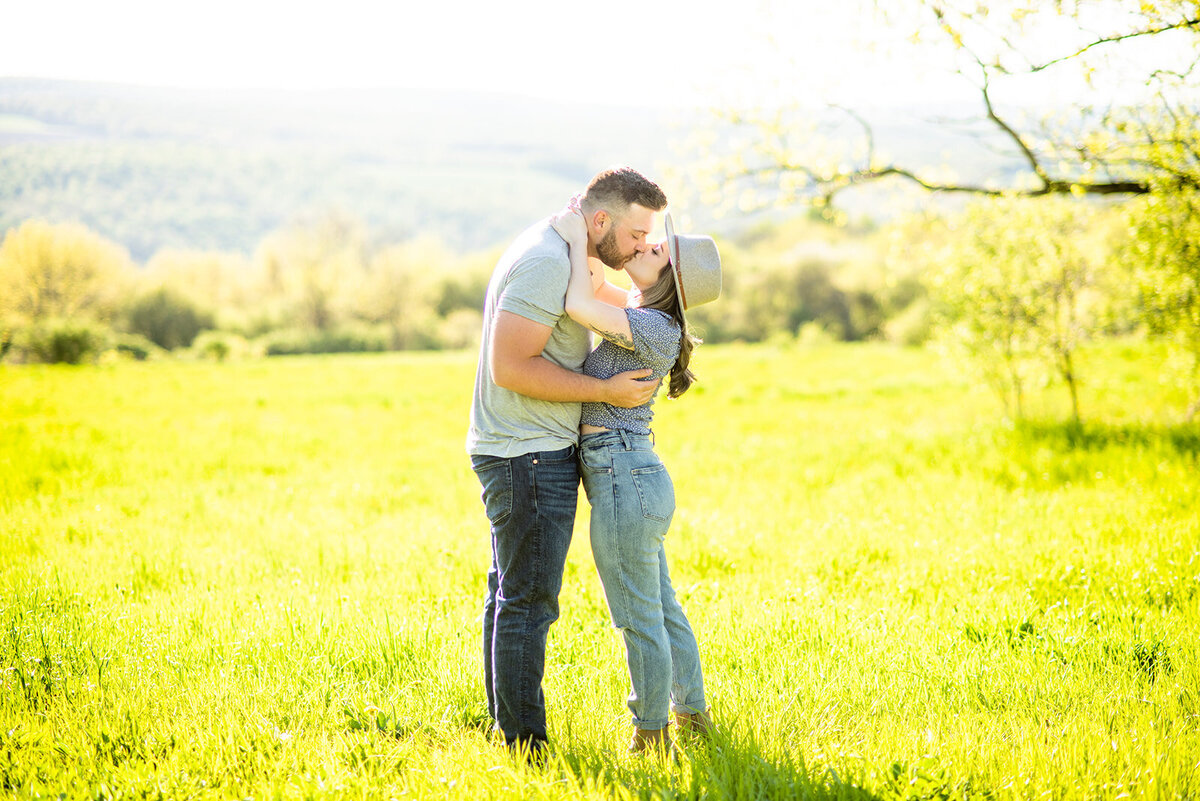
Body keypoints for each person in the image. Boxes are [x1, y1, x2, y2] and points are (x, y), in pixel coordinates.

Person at [466, 167, 669, 758]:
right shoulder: (548, 260)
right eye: (634, 234)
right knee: (528, 601)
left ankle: (505, 723)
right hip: (526, 452)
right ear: (600, 220)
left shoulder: (563, 248)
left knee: (510, 591)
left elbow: (619, 304)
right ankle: (525, 746)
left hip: (525, 447)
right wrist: (603, 392)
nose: (637, 247)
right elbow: (512, 367)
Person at [549, 203, 721, 754]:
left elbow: (578, 301)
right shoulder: (646, 313)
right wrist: (590, 243)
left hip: (624, 478)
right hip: (634, 476)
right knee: (662, 609)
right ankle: (693, 718)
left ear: (670, 281)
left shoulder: (650, 325)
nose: (645, 247)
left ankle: (651, 734)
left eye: (655, 250)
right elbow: (596, 286)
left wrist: (576, 236)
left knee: (639, 617)